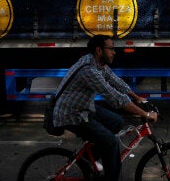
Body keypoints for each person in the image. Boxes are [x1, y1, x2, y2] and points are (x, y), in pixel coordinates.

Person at [53, 34, 157, 180]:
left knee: (117, 122)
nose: (114, 52)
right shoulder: (89, 70)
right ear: (99, 50)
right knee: (111, 142)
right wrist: (145, 115)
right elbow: (115, 97)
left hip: (84, 108)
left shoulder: (97, 63)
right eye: (111, 49)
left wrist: (137, 97)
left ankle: (90, 157)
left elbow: (115, 81)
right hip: (71, 114)